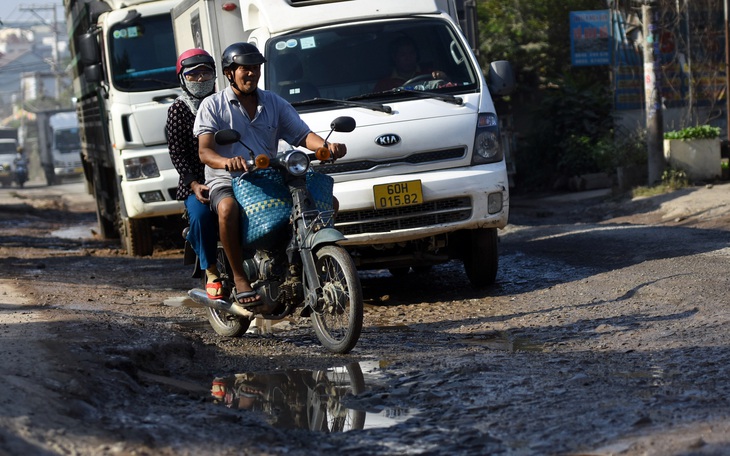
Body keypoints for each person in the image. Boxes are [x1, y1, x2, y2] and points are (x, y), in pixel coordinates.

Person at [194, 42, 346, 306]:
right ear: (230, 73)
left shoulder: (274, 102)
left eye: (255, 68)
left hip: (270, 177)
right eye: (245, 69)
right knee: (227, 208)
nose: (251, 74)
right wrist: (227, 161)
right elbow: (205, 152)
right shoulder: (212, 105)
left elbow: (302, 135)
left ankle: (300, 262)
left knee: (326, 204)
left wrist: (325, 146)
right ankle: (240, 277)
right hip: (228, 179)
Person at [166, 48, 223, 300]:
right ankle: (211, 270)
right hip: (197, 182)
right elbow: (177, 154)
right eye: (193, 75)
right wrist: (193, 183)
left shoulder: (225, 103)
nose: (200, 79)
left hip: (228, 176)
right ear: (182, 79)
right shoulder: (179, 110)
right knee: (201, 216)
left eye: (206, 73)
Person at [373, 36, 448, 92]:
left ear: (416, 55)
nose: (408, 58)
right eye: (403, 55)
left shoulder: (430, 74)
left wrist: (443, 77)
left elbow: (449, 89)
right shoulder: (385, 84)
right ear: (394, 57)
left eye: (411, 53)